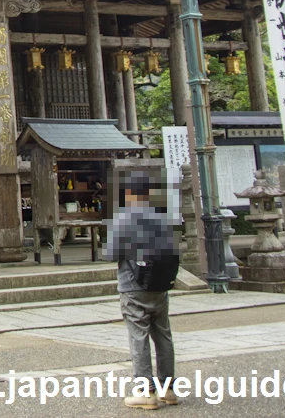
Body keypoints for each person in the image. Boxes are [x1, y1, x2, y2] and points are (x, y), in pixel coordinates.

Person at [105, 171, 180, 409]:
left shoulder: (125, 217)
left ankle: (145, 390)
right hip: (160, 284)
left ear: (129, 193)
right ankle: (168, 388)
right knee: (163, 335)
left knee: (139, 336)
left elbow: (111, 254)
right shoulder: (163, 215)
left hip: (133, 285)